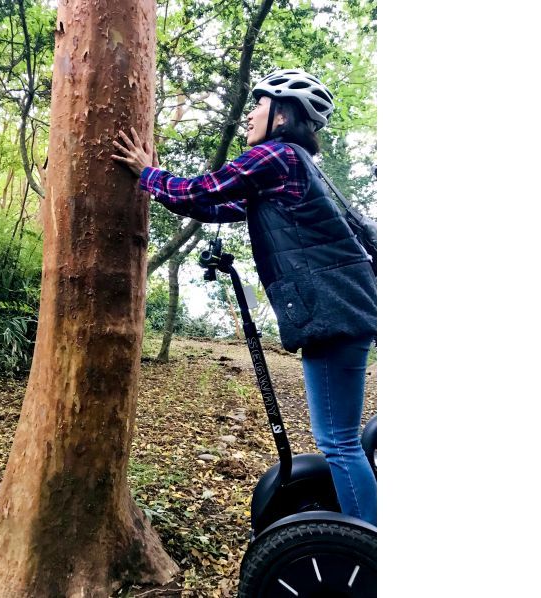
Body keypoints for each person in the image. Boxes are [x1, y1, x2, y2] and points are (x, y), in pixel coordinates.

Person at [111, 69, 377, 526]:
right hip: (344, 310)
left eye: (260, 104)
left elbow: (202, 188)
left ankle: (372, 548)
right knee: (341, 440)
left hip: (333, 314)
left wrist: (146, 171)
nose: (250, 114)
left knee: (338, 442)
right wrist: (155, 182)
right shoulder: (296, 169)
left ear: (282, 115)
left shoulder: (275, 157)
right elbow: (211, 206)